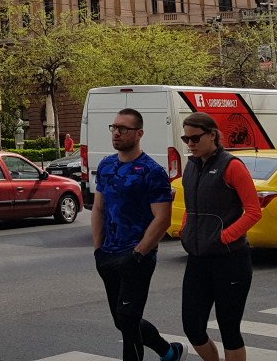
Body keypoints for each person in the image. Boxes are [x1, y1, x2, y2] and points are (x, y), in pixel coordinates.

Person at [92, 108, 185, 361]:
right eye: (114, 128)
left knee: (128, 321)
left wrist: (139, 253)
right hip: (108, 255)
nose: (117, 133)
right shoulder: (106, 165)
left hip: (137, 256)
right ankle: (168, 351)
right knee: (122, 321)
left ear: (139, 133)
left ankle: (166, 352)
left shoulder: (151, 171)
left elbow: (162, 218)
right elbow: (99, 209)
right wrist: (98, 249)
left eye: (124, 129)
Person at [179, 112, 262, 361]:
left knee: (229, 329)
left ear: (213, 135)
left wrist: (225, 237)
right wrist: (185, 229)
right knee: (192, 327)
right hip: (198, 258)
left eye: (195, 138)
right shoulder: (191, 167)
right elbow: (190, 206)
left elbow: (254, 212)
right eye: (186, 139)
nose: (190, 144)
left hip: (230, 260)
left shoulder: (232, 166)